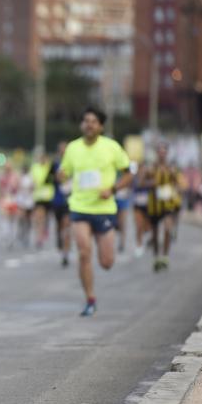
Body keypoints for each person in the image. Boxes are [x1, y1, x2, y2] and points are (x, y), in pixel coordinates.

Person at [59, 107, 132, 317]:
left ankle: (95, 288)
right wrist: (60, 175)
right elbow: (64, 173)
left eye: (93, 121)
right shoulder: (73, 148)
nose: (89, 124)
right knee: (83, 253)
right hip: (80, 207)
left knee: (106, 262)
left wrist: (113, 189)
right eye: (85, 120)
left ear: (100, 126)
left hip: (104, 209)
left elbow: (128, 175)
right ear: (82, 124)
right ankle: (90, 299)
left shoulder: (112, 147)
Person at [142, 143, 182, 272]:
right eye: (160, 151)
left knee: (167, 228)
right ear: (156, 153)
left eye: (164, 151)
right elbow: (141, 183)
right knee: (155, 233)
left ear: (167, 153)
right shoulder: (150, 168)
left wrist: (176, 189)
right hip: (154, 206)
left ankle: (165, 256)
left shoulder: (171, 168)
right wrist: (151, 183)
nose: (162, 154)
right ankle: (156, 257)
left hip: (168, 205)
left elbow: (177, 183)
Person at [49, 142, 72, 267]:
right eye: (61, 150)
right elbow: (48, 179)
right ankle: (60, 241)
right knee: (59, 226)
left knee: (66, 226)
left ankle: (65, 253)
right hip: (57, 200)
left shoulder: (74, 163)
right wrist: (57, 178)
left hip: (70, 201)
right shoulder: (55, 164)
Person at [30, 153, 54, 249]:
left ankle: (44, 231)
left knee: (45, 218)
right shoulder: (35, 167)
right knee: (38, 218)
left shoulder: (50, 167)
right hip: (38, 197)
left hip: (48, 196)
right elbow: (33, 180)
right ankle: (39, 237)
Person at [0, 161, 20, 250]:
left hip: (14, 199)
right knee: (5, 218)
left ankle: (12, 237)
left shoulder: (15, 177)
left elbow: (18, 188)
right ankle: (6, 235)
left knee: (13, 219)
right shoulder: (2, 177)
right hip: (5, 200)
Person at [131, 161, 152, 258]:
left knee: (147, 227)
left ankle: (149, 239)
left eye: (144, 168)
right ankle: (139, 245)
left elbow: (152, 185)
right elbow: (137, 185)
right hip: (137, 204)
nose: (142, 170)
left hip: (147, 205)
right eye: (141, 168)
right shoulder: (134, 178)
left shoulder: (149, 177)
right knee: (138, 226)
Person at [15, 163, 35, 249]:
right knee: (21, 217)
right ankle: (21, 232)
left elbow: (33, 187)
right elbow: (16, 187)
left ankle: (27, 234)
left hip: (29, 201)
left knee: (28, 219)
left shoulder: (30, 177)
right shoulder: (19, 177)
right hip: (21, 201)